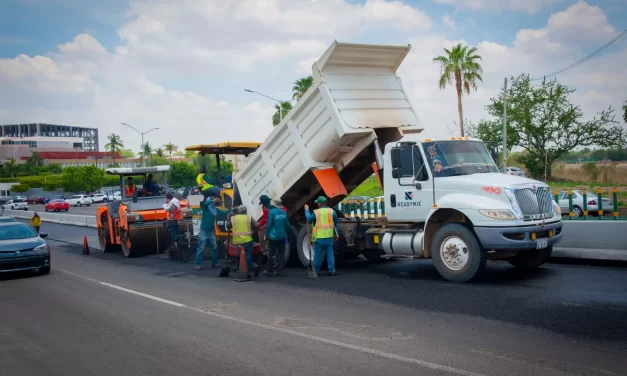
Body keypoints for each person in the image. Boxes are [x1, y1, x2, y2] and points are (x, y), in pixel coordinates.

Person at [304, 196, 339, 276]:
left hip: (319, 237)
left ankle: (316, 271)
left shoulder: (317, 212)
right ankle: (332, 270)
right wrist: (336, 234)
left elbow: (309, 219)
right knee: (330, 254)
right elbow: (336, 223)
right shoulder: (332, 211)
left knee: (317, 255)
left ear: (319, 204)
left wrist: (306, 210)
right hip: (329, 236)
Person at [196, 196, 231, 270]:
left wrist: (232, 209)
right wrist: (213, 200)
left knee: (214, 247)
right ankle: (198, 264)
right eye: (213, 202)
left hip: (211, 231)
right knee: (201, 248)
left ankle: (214, 263)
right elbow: (205, 204)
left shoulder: (215, 209)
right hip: (204, 231)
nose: (214, 203)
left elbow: (224, 212)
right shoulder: (206, 208)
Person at [226, 205, 259, 279]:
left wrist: (228, 218)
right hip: (248, 240)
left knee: (239, 256)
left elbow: (228, 227)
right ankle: (252, 268)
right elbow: (257, 225)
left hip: (238, 242)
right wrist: (253, 229)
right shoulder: (249, 217)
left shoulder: (233, 218)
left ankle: (243, 271)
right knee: (248, 257)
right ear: (245, 211)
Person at [264, 198, 290, 276]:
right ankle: (280, 271)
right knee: (282, 253)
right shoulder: (284, 213)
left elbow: (269, 225)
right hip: (282, 236)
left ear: (273, 205)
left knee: (272, 253)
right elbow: (287, 226)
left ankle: (269, 271)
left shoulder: (271, 212)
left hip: (273, 237)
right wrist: (288, 235)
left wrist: (266, 233)